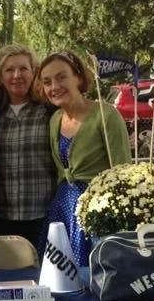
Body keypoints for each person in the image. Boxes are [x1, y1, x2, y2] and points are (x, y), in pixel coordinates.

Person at [39, 50, 132, 276]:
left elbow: (123, 170)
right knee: (58, 278)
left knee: (91, 276)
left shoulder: (105, 115)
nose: (54, 86)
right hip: (61, 209)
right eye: (47, 81)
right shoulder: (55, 119)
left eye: (62, 77)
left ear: (79, 78)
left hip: (95, 212)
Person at [0, 44, 54, 251]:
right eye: (9, 70)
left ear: (33, 72)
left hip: (44, 215)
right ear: (0, 77)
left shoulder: (50, 112)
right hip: (3, 218)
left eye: (23, 68)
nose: (17, 75)